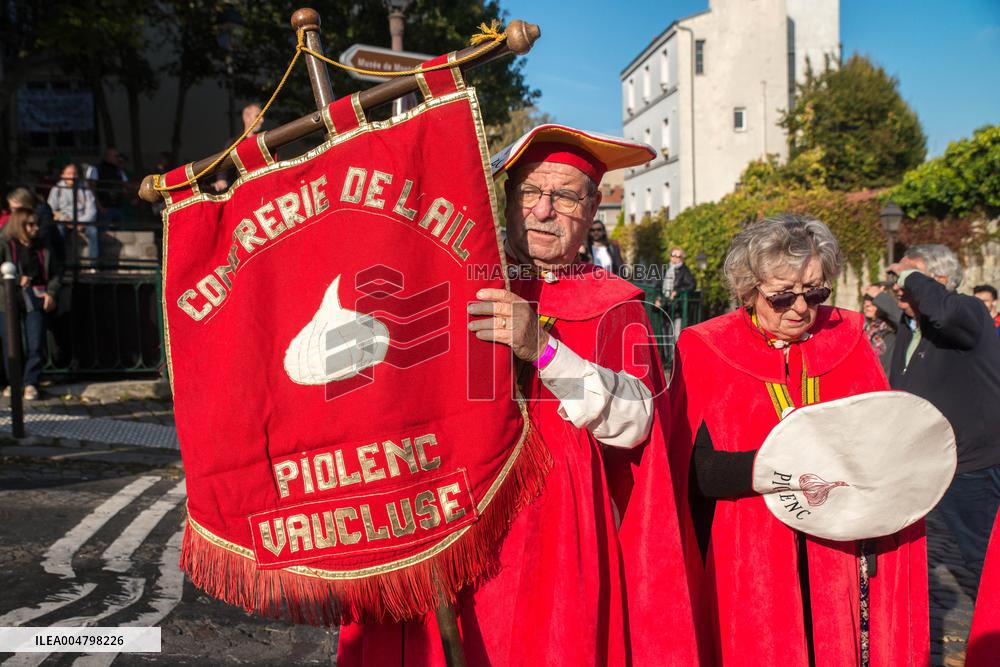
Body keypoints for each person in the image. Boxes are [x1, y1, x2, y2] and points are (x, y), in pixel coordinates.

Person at [338, 125, 700, 665]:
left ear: (593, 206)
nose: (544, 210)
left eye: (565, 195)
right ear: (507, 198)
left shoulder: (616, 303)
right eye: (530, 191)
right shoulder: (453, 277)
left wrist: (544, 349)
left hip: (559, 531)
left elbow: (637, 419)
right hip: (454, 517)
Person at [669, 214, 929, 665]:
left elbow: (886, 439)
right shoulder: (704, 346)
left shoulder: (847, 336)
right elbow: (698, 472)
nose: (800, 308)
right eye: (781, 295)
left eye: (815, 291)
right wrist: (787, 468)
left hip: (841, 553)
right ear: (747, 289)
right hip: (750, 554)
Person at [873, 245, 1000, 595]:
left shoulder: (969, 311)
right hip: (933, 461)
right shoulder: (911, 326)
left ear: (939, 281)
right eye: (897, 277)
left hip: (972, 463)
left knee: (985, 558)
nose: (899, 283)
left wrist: (913, 277)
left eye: (909, 276)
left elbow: (945, 313)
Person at [0, 209, 63, 400]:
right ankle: (14, 382)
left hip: (36, 295)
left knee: (36, 340)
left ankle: (31, 382)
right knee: (11, 342)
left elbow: (56, 273)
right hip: (8, 297)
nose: (35, 228)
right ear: (19, 225)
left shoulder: (43, 247)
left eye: (36, 223)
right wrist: (15, 279)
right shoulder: (6, 244)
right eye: (30, 224)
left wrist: (51, 293)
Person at [47, 162, 99, 261]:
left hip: (82, 222)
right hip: (64, 221)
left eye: (74, 173)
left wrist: (79, 222)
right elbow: (51, 209)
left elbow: (92, 210)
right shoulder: (56, 189)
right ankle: (60, 262)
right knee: (58, 232)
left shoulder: (85, 189)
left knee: (93, 231)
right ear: (62, 175)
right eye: (69, 173)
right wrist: (65, 220)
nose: (72, 176)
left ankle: (93, 264)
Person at [213, 103, 265, 192]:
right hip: (242, 190)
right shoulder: (234, 143)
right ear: (246, 117)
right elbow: (223, 167)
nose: (262, 120)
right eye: (257, 116)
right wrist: (221, 180)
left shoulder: (264, 139)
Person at [862, 281, 897, 374]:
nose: (867, 304)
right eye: (866, 298)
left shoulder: (895, 330)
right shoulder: (862, 328)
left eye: (873, 299)